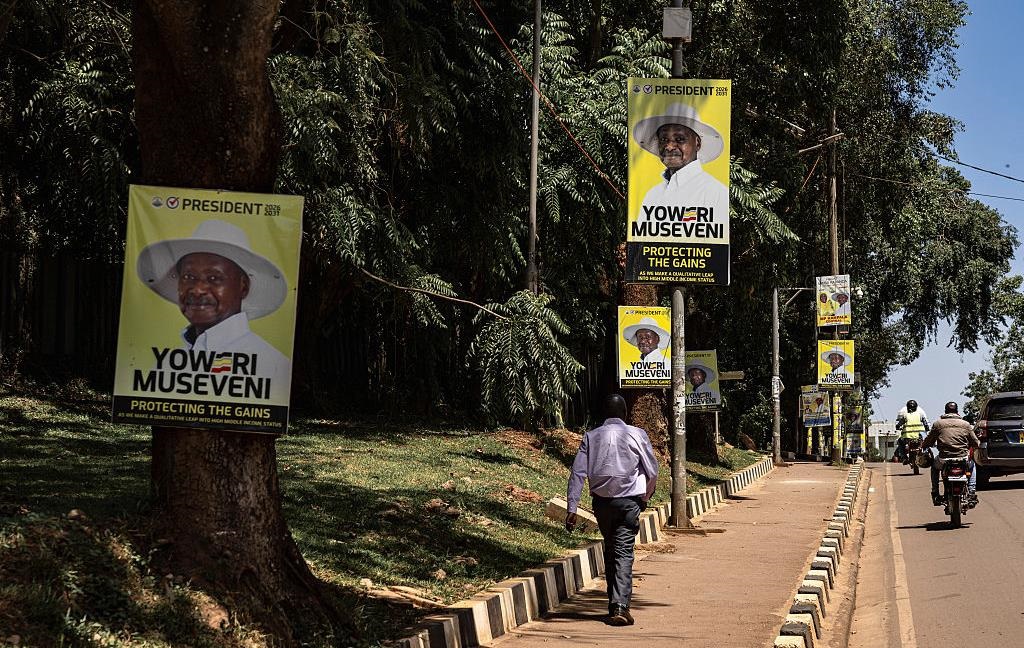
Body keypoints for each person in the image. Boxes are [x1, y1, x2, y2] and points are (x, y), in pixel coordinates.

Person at [136, 219, 291, 401]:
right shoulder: (168, 365)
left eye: (214, 278)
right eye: (188, 276)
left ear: (243, 287)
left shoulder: (273, 367)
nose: (197, 289)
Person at [565, 394, 659, 626]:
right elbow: (652, 471)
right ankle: (620, 606)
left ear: (604, 414)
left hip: (602, 504)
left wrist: (572, 508)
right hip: (629, 503)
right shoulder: (637, 434)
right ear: (625, 415)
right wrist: (645, 497)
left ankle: (613, 604)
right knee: (623, 552)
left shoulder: (591, 436)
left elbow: (578, 473)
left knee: (611, 550)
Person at [632, 103, 728, 218]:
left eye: (679, 139)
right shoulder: (652, 195)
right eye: (664, 139)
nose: (669, 146)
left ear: (697, 143)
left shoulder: (716, 193)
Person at [921, 401, 980, 507]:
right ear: (957, 411)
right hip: (962, 458)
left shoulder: (938, 424)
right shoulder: (965, 424)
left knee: (934, 467)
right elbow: (975, 442)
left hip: (944, 459)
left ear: (945, 411)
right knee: (972, 465)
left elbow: (929, 441)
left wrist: (924, 445)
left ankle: (935, 492)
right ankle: (971, 492)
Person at [894, 399, 927, 463]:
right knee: (925, 443)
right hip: (918, 436)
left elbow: (899, 424)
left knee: (900, 442)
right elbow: (926, 424)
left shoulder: (905, 415)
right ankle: (925, 453)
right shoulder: (920, 415)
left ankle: (904, 457)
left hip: (907, 437)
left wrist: (897, 427)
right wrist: (927, 429)